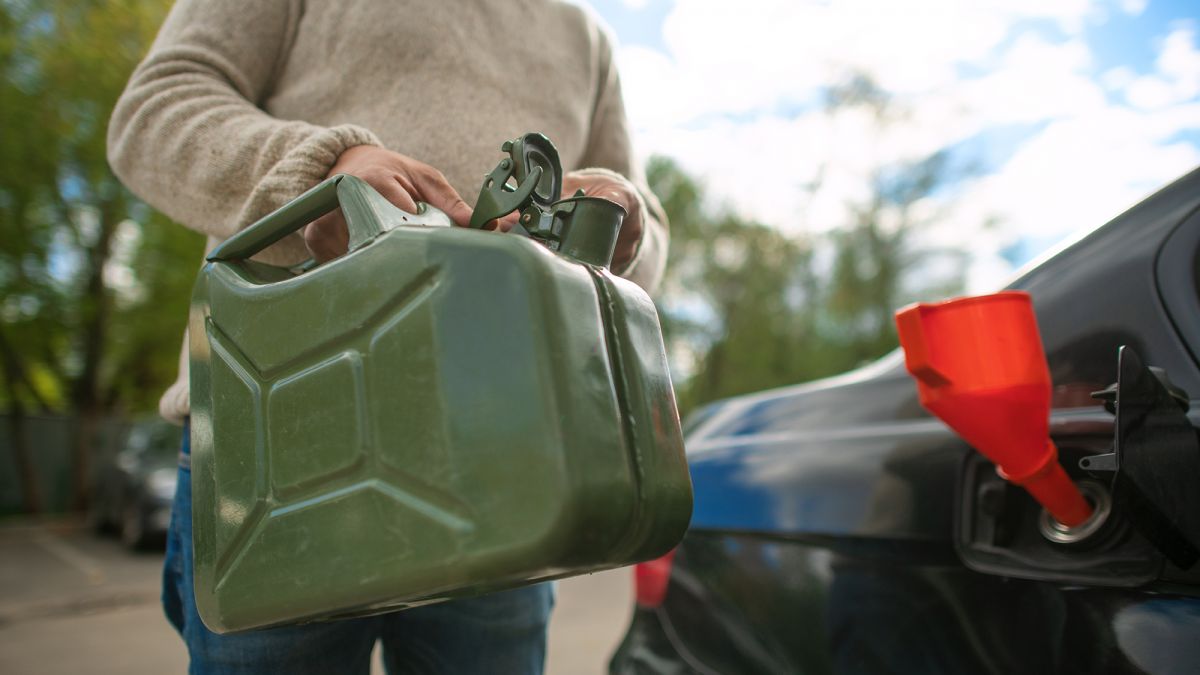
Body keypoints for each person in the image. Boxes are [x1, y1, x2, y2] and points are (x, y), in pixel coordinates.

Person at [106, 1, 668, 672]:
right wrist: (321, 167)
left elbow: (644, 230)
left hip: (506, 454)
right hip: (285, 437)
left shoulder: (586, 36)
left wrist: (623, 219)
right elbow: (152, 111)